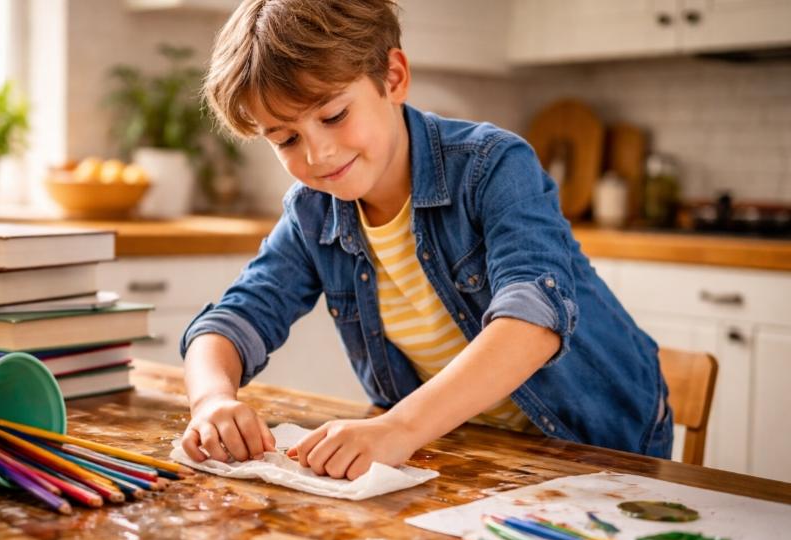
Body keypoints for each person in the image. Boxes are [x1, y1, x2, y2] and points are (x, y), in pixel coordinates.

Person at [178, 0, 673, 480]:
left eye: (333, 116)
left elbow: (534, 319)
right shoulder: (312, 212)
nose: (318, 153)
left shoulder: (492, 166)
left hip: (597, 440)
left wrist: (397, 427)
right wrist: (212, 400)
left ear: (393, 78)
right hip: (467, 446)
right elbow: (235, 318)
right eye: (285, 139)